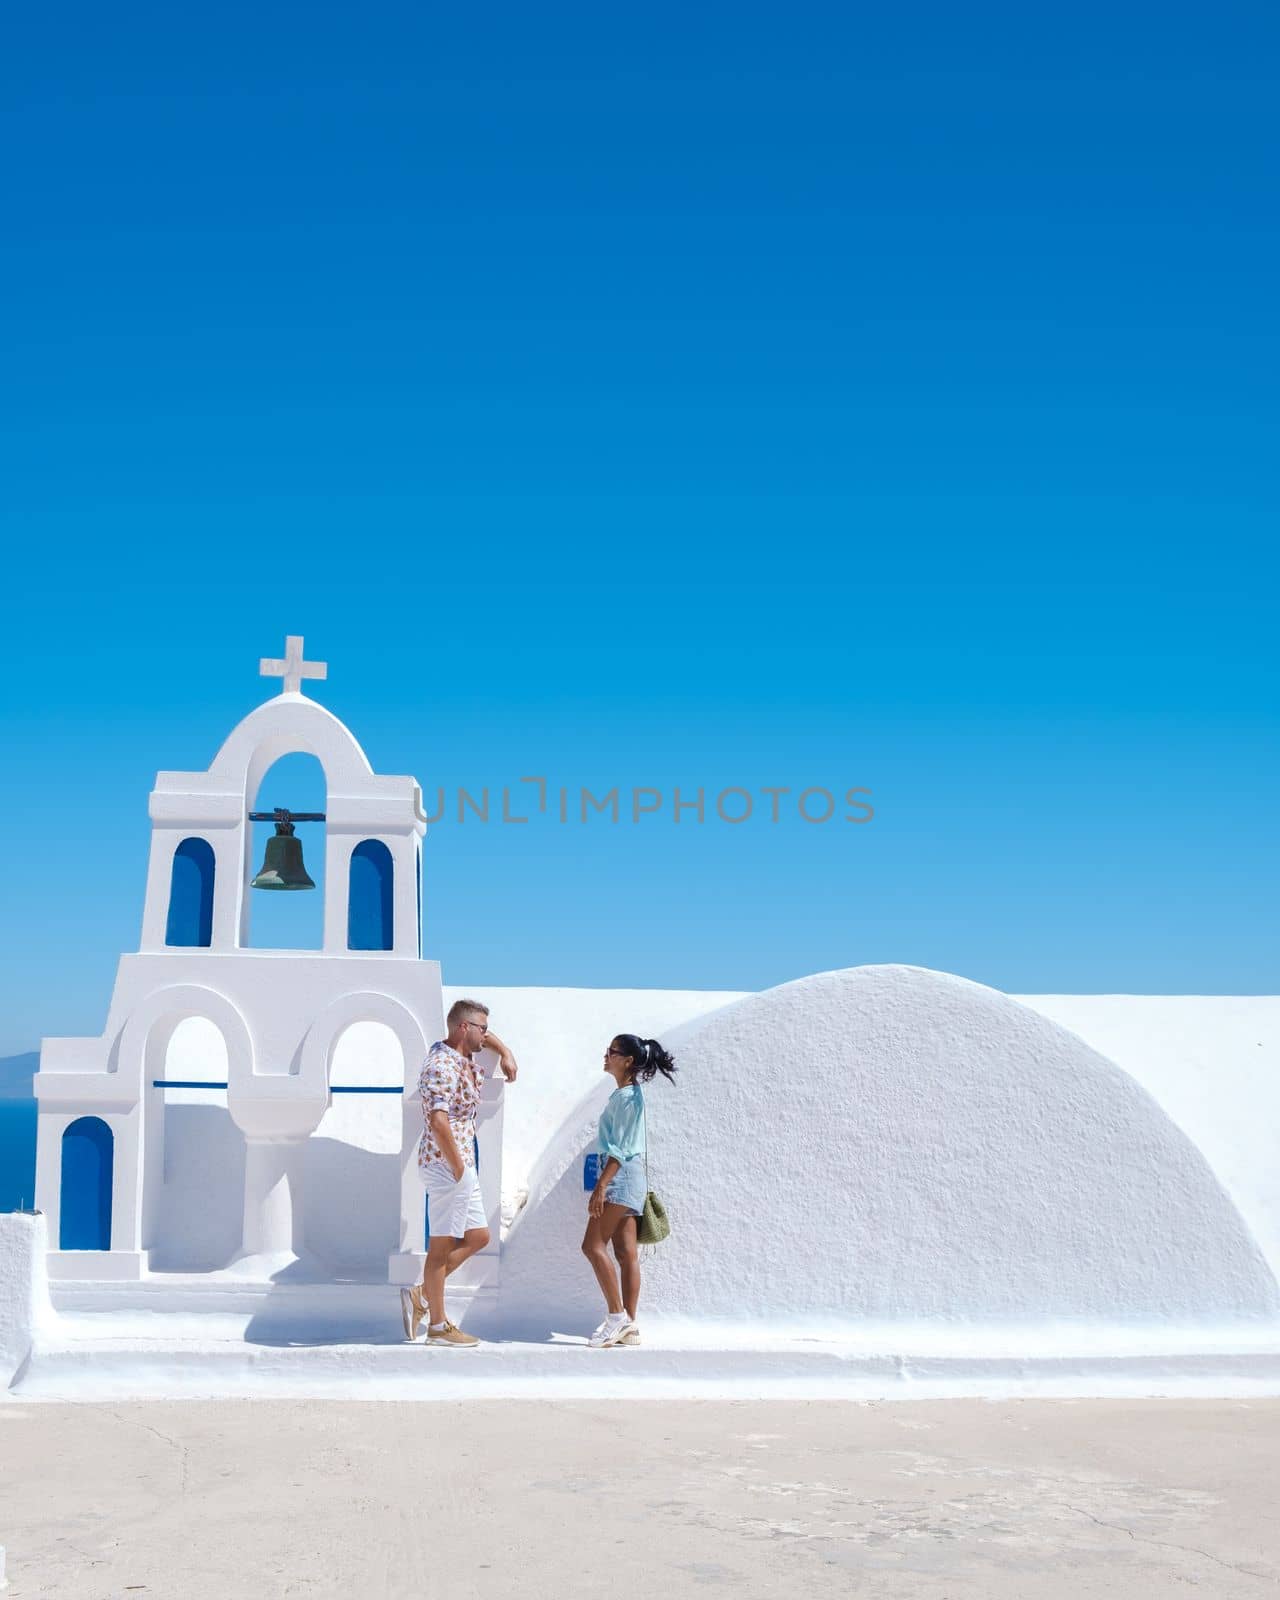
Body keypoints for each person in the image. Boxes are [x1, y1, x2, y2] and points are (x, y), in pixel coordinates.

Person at [400, 998, 517, 1347]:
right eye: (482, 1028)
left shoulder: (463, 1052)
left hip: (459, 1165)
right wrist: (459, 1168)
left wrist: (506, 1051)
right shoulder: (441, 1065)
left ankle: (421, 1294)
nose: (487, 1035)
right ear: (464, 1028)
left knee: (479, 1236)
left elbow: (486, 1038)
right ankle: (437, 1327)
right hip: (446, 1165)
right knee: (440, 1248)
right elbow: (438, 1120)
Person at [581, 1033, 676, 1348]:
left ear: (628, 1061)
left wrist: (602, 1185)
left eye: (612, 1052)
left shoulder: (625, 1098)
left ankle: (616, 1318)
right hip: (633, 1178)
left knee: (593, 1246)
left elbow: (619, 1149)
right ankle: (629, 1325)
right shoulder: (631, 1095)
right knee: (625, 1253)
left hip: (620, 1177)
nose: (605, 1055)